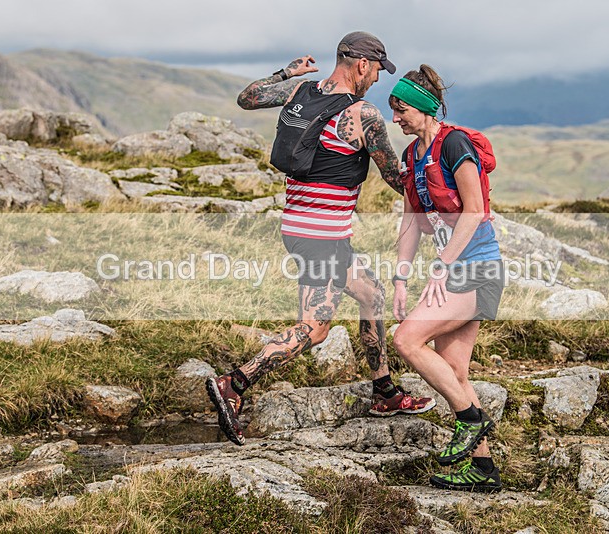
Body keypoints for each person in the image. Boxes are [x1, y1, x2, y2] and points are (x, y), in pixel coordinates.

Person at [206, 32, 435, 446]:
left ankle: (384, 392)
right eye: (377, 71)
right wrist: (440, 190)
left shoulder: (300, 90)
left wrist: (285, 72)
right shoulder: (363, 115)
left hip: (302, 226)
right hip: (321, 235)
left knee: (371, 294)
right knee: (315, 328)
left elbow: (247, 97)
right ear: (362, 65)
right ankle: (234, 384)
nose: (377, 80)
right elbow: (394, 178)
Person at [388, 65, 505, 491]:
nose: (395, 118)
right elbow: (410, 222)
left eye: (401, 110)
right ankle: (483, 470)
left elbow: (474, 211)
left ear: (423, 108)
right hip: (454, 270)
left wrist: (441, 265)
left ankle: (470, 419)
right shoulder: (410, 157)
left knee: (405, 340)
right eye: (393, 110)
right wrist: (401, 278)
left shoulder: (454, 144)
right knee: (454, 371)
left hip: (478, 270)